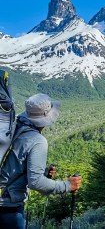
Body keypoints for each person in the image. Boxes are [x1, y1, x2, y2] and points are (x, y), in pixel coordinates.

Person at [0, 93, 82, 229]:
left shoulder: (11, 128)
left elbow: (11, 165)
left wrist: (43, 172)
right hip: (8, 210)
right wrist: (68, 186)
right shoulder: (37, 140)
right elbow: (36, 182)